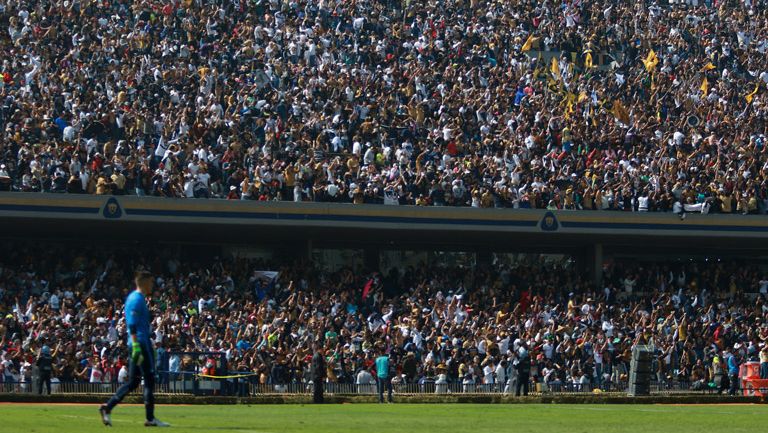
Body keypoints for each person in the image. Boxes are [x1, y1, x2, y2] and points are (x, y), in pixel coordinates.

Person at [100, 271, 169, 427]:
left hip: (136, 343)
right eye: (150, 282)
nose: (152, 285)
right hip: (140, 344)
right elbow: (131, 324)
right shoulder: (137, 299)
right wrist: (137, 344)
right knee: (149, 379)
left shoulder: (135, 298)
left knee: (133, 383)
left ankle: (107, 407)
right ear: (143, 282)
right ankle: (150, 419)